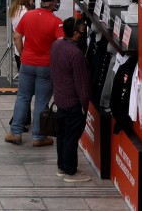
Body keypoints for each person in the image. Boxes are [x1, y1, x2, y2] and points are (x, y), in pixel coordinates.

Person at [8, 0, 64, 146]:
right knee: (41, 100)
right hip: (46, 66)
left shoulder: (28, 15)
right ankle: (38, 137)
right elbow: (61, 44)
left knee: (23, 96)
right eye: (57, 1)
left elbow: (17, 36)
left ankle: (15, 133)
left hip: (27, 62)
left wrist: (22, 53)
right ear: (53, 3)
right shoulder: (56, 22)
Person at [50, 16, 94, 184]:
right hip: (73, 103)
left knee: (62, 136)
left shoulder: (56, 45)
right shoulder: (77, 55)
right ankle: (71, 171)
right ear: (75, 33)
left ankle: (62, 167)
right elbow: (82, 84)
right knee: (71, 138)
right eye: (82, 31)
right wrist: (84, 106)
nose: (83, 34)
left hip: (60, 99)